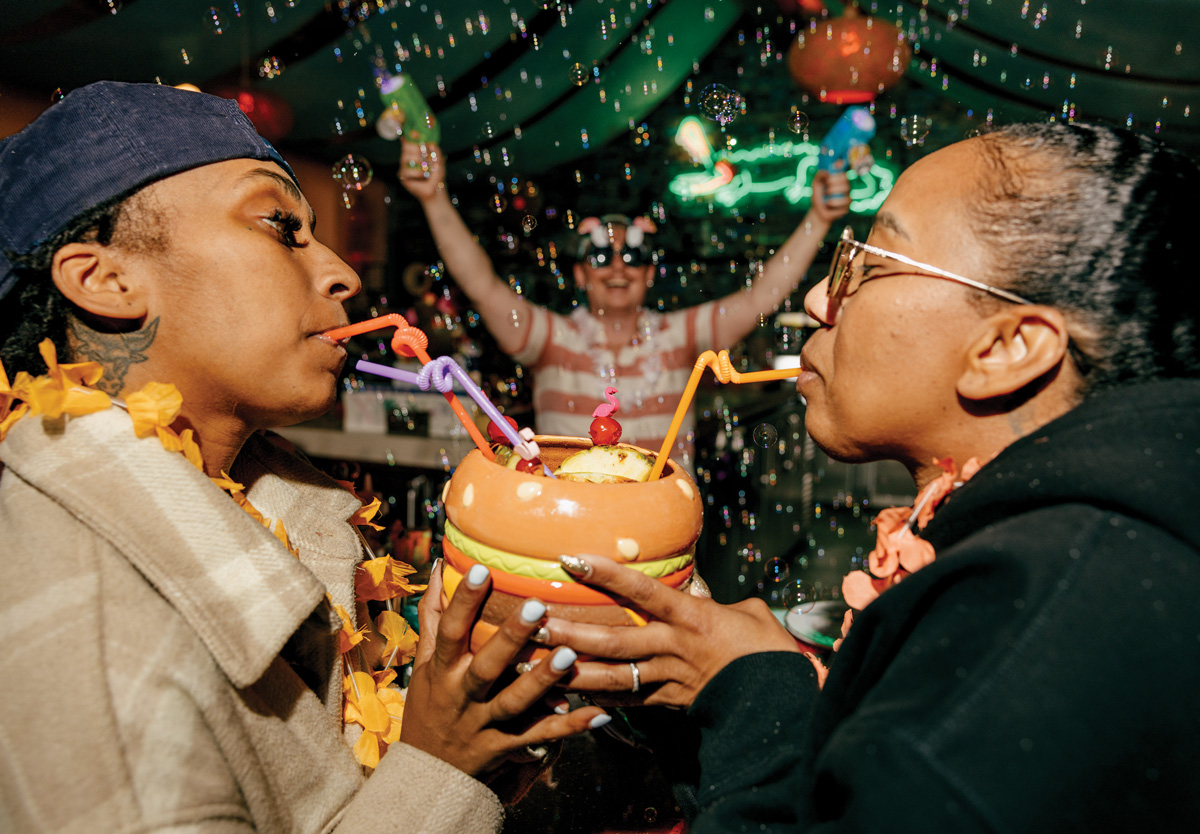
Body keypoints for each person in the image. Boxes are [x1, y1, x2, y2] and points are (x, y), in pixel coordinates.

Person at [538, 122, 1200, 831]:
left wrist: (758, 693)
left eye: (871, 261)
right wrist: (701, 698)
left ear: (1008, 347)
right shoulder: (1070, 554)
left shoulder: (1032, 629)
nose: (821, 300)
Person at [0, 81, 609, 833]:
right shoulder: (83, 636)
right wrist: (442, 768)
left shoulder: (264, 502)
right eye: (281, 226)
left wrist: (481, 735)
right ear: (107, 280)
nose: (343, 274)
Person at [398, 139, 849, 470]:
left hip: (662, 531)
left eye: (632, 256)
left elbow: (761, 296)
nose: (617, 266)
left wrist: (819, 218)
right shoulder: (551, 338)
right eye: (600, 255)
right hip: (564, 523)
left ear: (650, 274)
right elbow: (481, 285)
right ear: (580, 274)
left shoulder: (680, 336)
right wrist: (432, 197)